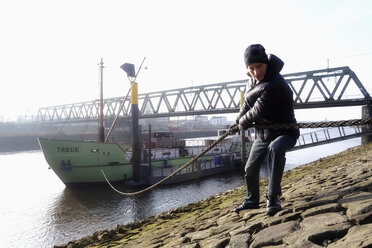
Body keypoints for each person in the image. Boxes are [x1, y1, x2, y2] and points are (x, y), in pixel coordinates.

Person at [233, 44, 299, 216]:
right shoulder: (252, 80)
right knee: (251, 168)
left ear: (266, 64)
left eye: (259, 67)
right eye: (251, 68)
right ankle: (251, 200)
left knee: (275, 149)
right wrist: (236, 121)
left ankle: (273, 197)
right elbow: (246, 104)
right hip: (264, 134)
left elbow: (256, 112)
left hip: (286, 132)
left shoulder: (275, 83)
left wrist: (242, 124)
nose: (256, 72)